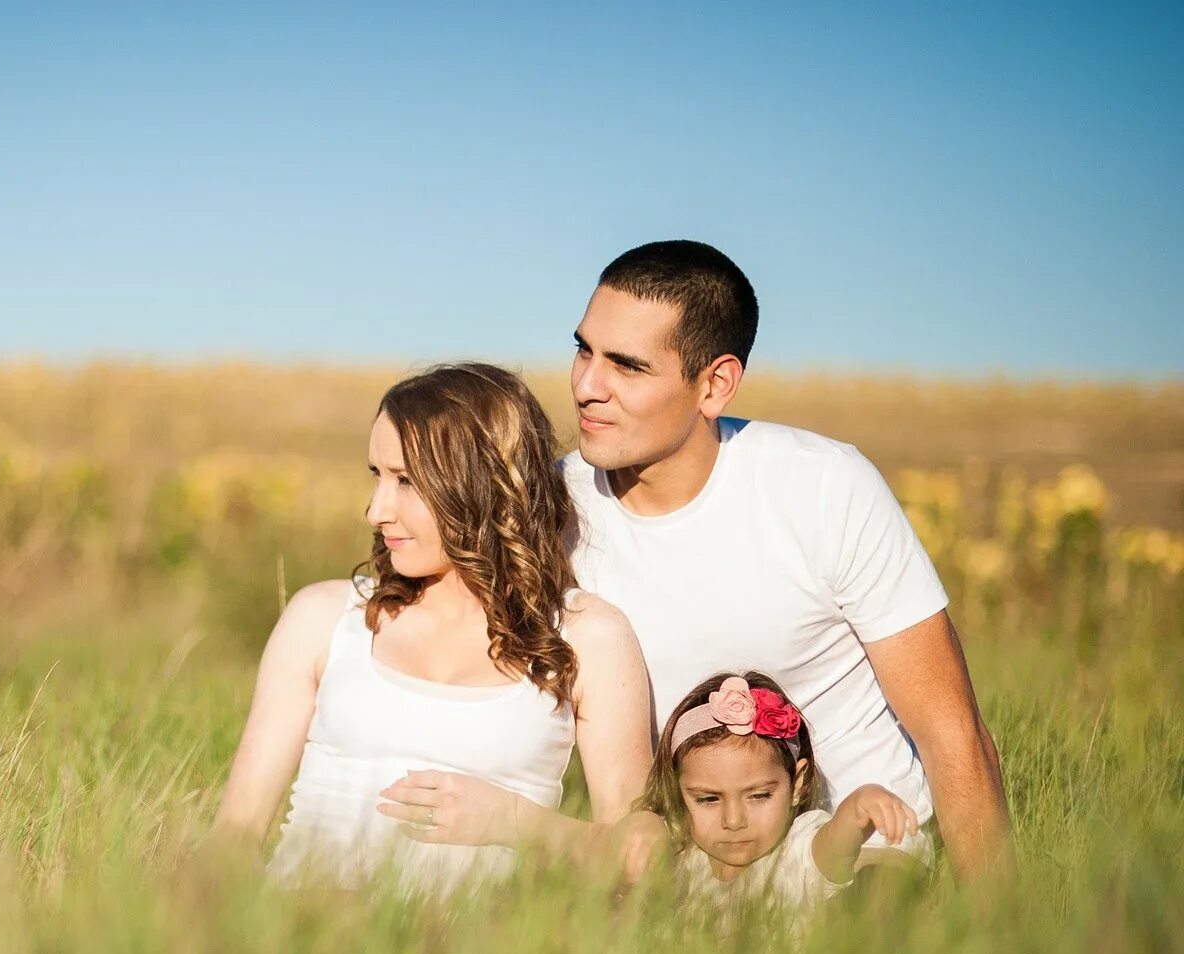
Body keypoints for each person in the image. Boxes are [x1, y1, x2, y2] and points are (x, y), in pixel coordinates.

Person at [418, 241, 1010, 880]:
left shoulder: (825, 487)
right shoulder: (548, 508)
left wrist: (998, 940)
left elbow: (952, 733)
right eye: (583, 350)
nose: (588, 386)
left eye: (628, 366)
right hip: (673, 870)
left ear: (715, 384)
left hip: (855, 862)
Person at [211, 363, 653, 896]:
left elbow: (641, 858)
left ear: (484, 483)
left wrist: (515, 822)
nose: (376, 510)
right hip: (301, 944)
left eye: (406, 481)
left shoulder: (587, 636)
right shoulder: (324, 619)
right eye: (377, 475)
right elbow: (234, 835)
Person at [637, 671, 922, 914]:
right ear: (677, 792)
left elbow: (835, 845)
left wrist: (859, 807)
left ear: (797, 784)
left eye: (759, 796)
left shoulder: (797, 852)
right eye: (709, 799)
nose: (734, 821)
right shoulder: (681, 858)